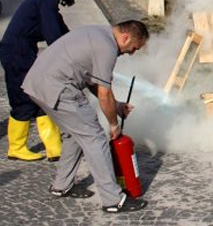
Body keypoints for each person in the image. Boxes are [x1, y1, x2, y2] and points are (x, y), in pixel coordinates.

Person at [22, 20, 150, 213]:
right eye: (133, 48)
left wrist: (116, 106)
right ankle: (113, 200)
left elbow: (93, 82)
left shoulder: (98, 33)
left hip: (36, 84)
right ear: (126, 37)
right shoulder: (107, 47)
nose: (130, 53)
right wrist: (114, 125)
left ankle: (61, 186)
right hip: (57, 87)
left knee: (75, 133)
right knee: (95, 137)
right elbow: (104, 93)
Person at [0, 0, 78, 162]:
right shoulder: (47, 0)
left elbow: (63, 32)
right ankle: (16, 147)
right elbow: (53, 37)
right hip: (17, 52)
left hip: (23, 50)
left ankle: (54, 149)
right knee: (24, 98)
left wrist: (78, 47)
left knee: (40, 95)